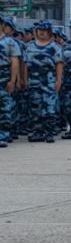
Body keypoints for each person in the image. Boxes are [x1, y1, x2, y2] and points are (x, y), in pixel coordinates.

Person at [0, 17, 23, 147]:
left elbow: (15, 62)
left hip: (3, 78)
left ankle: (3, 135)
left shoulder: (10, 42)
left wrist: (13, 80)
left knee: (4, 108)